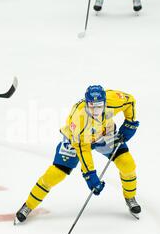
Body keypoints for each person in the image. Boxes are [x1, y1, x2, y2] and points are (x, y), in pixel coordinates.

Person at [15, 85, 141, 224]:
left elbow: (130, 101)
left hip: (105, 134)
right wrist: (90, 175)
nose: (95, 110)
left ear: (105, 102)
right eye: (91, 106)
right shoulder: (79, 118)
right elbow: (83, 149)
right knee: (55, 174)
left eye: (99, 106)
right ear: (86, 103)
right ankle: (28, 205)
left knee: (127, 164)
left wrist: (131, 122)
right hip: (77, 141)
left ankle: (130, 198)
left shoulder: (113, 100)